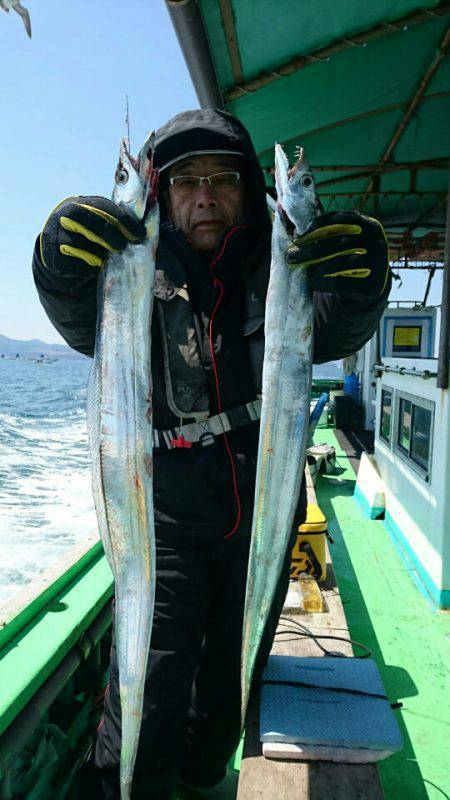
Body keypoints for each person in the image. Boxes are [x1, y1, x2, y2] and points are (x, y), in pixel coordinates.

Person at [33, 109, 391, 800]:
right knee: (147, 676)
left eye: (221, 179)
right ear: (162, 196)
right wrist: (55, 263)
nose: (204, 196)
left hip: (263, 499)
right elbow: (85, 324)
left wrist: (363, 283)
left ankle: (204, 780)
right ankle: (125, 785)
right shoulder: (132, 270)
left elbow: (331, 330)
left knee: (235, 667)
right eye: (185, 181)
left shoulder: (285, 263)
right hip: (165, 511)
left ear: (247, 186)